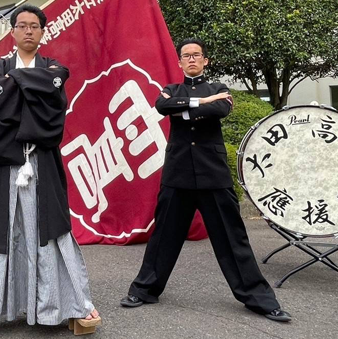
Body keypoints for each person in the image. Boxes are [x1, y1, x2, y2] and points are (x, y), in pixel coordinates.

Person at [0, 5, 101, 337]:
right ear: (13, 32)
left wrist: (17, 82)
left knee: (50, 230)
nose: (29, 30)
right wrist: (34, 85)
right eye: (22, 25)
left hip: (41, 163)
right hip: (4, 163)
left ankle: (73, 302)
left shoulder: (55, 67)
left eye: (35, 26)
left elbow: (53, 103)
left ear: (43, 32)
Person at [119, 38, 291, 322]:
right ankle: (144, 289)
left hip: (213, 173)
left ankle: (260, 299)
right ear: (179, 62)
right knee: (163, 236)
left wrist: (187, 107)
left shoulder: (219, 90)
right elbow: (162, 106)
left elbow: (219, 109)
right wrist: (199, 103)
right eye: (186, 56)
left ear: (205, 60)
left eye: (196, 55)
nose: (191, 59)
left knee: (232, 238)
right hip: (178, 173)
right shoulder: (171, 89)